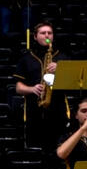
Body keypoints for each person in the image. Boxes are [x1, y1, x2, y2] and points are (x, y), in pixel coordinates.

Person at [13, 21, 63, 150]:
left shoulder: (62, 57)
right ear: (35, 37)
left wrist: (61, 69)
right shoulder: (26, 58)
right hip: (34, 111)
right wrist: (32, 89)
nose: (47, 35)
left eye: (49, 33)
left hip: (57, 109)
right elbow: (18, 87)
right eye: (43, 33)